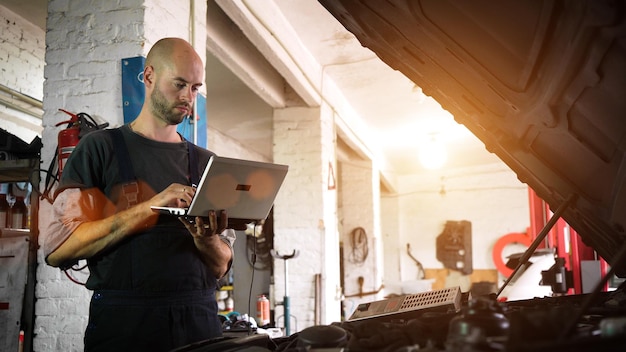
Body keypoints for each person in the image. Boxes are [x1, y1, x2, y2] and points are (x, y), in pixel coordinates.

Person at [43, 37, 235, 351]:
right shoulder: (100, 149)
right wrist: (150, 207)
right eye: (179, 84)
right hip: (125, 325)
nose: (189, 97)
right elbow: (59, 249)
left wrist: (206, 239)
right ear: (148, 77)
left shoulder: (208, 164)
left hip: (200, 323)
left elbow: (221, 266)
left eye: (196, 88)